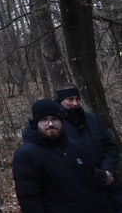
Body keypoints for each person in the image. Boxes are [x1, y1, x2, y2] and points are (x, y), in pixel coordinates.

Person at [13, 98, 109, 212]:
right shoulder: (26, 154)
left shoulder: (75, 147)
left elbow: (92, 182)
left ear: (61, 122)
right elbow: (29, 199)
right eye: (44, 120)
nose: (50, 124)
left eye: (54, 119)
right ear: (36, 123)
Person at [56, 83, 122, 212]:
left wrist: (107, 170)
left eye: (77, 99)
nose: (75, 103)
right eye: (70, 99)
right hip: (82, 194)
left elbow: (111, 146)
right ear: (60, 101)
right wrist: (99, 175)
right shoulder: (56, 126)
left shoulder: (91, 120)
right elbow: (62, 160)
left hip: (110, 188)